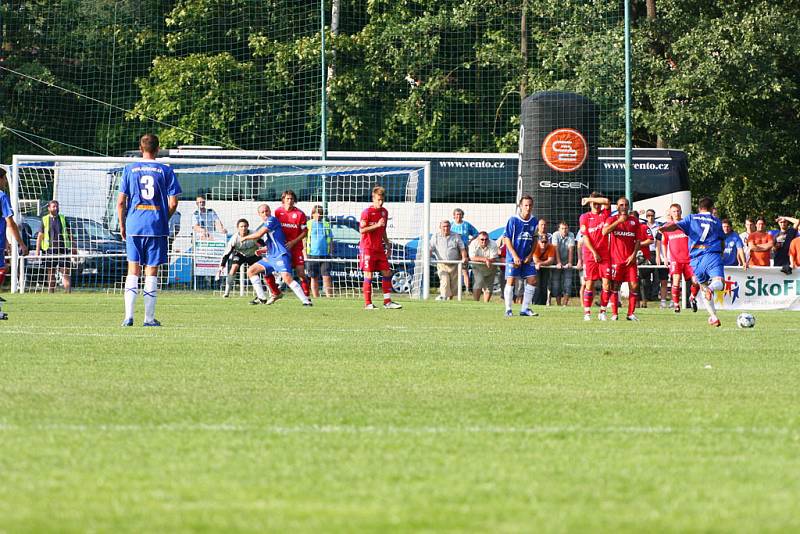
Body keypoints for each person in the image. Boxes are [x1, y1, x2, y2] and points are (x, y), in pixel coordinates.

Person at [117, 133, 182, 327]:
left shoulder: (129, 169)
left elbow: (121, 202)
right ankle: (149, 318)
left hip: (134, 225)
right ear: (158, 148)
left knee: (132, 270)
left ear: (140, 148)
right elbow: (173, 203)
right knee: (151, 271)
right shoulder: (165, 170)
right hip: (155, 226)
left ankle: (128, 317)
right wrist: (163, 218)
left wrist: (123, 224)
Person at [658, 197, 726, 327]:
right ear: (712, 208)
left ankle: (713, 317)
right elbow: (722, 240)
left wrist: (664, 229)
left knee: (703, 287)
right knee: (719, 283)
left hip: (695, 260)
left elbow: (675, 225)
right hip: (711, 255)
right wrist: (720, 254)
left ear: (699, 208)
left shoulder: (691, 218)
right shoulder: (716, 221)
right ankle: (711, 289)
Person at [240, 204, 311, 306]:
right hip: (271, 256)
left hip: (280, 254)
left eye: (267, 211)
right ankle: (262, 297)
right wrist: (264, 249)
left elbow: (259, 234)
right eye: (263, 212)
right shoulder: (264, 224)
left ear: (270, 211)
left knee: (286, 277)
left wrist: (244, 238)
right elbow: (273, 240)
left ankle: (306, 301)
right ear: (259, 214)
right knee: (251, 271)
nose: (265, 213)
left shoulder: (271, 220)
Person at [359, 186, 402, 310]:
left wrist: (387, 244)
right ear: (373, 198)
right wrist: (377, 225)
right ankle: (368, 304)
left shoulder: (384, 212)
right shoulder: (366, 212)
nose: (381, 202)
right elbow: (362, 230)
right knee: (369, 275)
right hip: (367, 248)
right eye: (378, 199)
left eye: (382, 199)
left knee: (387, 272)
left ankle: (387, 302)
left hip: (379, 249)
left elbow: (382, 230)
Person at [601, 197, 642, 321]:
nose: (624, 207)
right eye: (621, 205)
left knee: (634, 285)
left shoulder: (634, 221)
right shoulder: (612, 219)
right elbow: (604, 231)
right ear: (617, 207)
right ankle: (614, 314)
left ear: (629, 206)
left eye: (626, 205)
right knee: (615, 286)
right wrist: (618, 222)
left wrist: (634, 255)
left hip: (630, 260)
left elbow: (638, 240)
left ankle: (630, 314)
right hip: (616, 260)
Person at [502, 195, 539, 317]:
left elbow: (535, 239)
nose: (528, 208)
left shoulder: (534, 221)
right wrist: (514, 255)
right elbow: (506, 238)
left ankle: (525, 309)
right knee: (511, 280)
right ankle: (508, 309)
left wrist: (530, 255)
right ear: (520, 206)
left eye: (530, 205)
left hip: (526, 256)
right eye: (525, 205)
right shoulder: (513, 220)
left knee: (532, 280)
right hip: (513, 256)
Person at [0, 167, 30, 318]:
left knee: (3, 267)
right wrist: (21, 243)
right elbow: (10, 222)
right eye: (4, 178)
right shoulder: (2, 196)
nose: (5, 181)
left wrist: (6, 242)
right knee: (1, 269)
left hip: (1, 240)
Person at [660, 203, 700, 313]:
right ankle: (676, 305)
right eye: (674, 211)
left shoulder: (687, 224)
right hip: (675, 260)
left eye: (678, 211)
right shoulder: (667, 227)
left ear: (681, 212)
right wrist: (665, 258)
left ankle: (692, 297)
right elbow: (664, 243)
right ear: (670, 213)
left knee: (696, 281)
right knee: (676, 282)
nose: (676, 213)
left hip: (689, 259)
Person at [578, 192, 611, 321]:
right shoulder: (585, 217)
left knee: (606, 283)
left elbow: (607, 201)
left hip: (604, 255)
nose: (597, 205)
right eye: (594, 203)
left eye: (599, 203)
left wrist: (589, 198)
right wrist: (594, 253)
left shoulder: (605, 214)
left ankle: (602, 311)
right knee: (589, 283)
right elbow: (585, 237)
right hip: (590, 255)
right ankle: (587, 312)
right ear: (591, 204)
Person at [274, 190, 311, 297]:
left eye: (291, 199)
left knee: (301, 273)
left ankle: (307, 296)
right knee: (280, 272)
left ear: (294, 200)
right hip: (282, 248)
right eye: (287, 199)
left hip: (295, 247)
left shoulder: (300, 214)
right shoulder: (278, 212)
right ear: (283, 200)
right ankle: (274, 292)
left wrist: (293, 242)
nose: (289, 201)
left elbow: (305, 231)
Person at [35, 200, 77, 293]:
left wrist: (74, 247)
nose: (56, 208)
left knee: (65, 271)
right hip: (49, 250)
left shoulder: (63, 218)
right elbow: (40, 236)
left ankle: (68, 292)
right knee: (51, 272)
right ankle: (51, 292)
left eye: (57, 206)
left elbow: (70, 233)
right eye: (54, 206)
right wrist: (37, 250)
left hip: (63, 249)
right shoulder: (44, 219)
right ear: (49, 208)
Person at [218, 218, 262, 298]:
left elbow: (263, 244)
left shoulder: (254, 234)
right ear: (238, 227)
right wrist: (222, 265)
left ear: (248, 226)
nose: (243, 228)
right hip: (240, 255)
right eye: (241, 226)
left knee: (262, 270)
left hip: (253, 255)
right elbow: (227, 253)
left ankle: (265, 293)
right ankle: (226, 293)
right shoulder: (234, 238)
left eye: (245, 226)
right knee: (234, 268)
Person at [430, 220, 468, 300]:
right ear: (440, 227)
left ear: (450, 227)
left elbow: (462, 248)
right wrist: (428, 258)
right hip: (442, 264)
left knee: (453, 286)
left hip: (454, 265)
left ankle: (448, 301)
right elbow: (430, 248)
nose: (446, 228)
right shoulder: (435, 236)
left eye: (447, 226)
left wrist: (464, 257)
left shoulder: (456, 236)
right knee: (445, 281)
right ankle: (443, 298)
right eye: (444, 226)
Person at [306, 204, 333, 298]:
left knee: (327, 276)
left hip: (325, 254)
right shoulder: (309, 224)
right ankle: (316, 297)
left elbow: (330, 238)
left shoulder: (326, 224)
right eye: (317, 213)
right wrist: (304, 252)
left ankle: (329, 297)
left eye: (321, 213)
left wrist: (331, 251)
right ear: (313, 214)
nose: (319, 215)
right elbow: (304, 238)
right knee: (314, 277)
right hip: (312, 254)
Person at [450, 208, 478, 293]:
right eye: (457, 214)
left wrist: (470, 241)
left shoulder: (466, 225)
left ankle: (467, 289)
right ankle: (453, 289)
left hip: (464, 249)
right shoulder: (451, 225)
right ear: (454, 216)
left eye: (460, 214)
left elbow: (476, 233)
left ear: (462, 216)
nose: (458, 216)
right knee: (453, 269)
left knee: (464, 269)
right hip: (454, 249)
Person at [468, 231, 499, 302]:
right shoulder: (473, 243)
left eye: (486, 239)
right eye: (482, 239)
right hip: (478, 267)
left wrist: (487, 260)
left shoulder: (493, 244)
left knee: (489, 287)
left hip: (490, 267)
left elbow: (493, 258)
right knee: (478, 283)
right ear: (478, 239)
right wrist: (485, 260)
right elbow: (472, 257)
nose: (484, 241)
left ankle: (486, 304)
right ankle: (476, 303)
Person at [550, 221, 575, 306]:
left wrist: (570, 263)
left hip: (567, 262)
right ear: (559, 229)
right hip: (557, 262)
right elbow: (555, 249)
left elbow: (571, 249)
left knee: (568, 284)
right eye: (562, 228)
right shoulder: (555, 235)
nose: (564, 230)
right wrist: (558, 263)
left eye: (566, 228)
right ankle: (558, 305)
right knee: (556, 284)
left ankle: (564, 305)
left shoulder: (571, 235)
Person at [532, 230, 556, 305]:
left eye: (545, 242)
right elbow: (535, 260)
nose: (543, 244)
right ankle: (535, 303)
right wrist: (540, 263)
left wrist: (541, 263)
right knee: (537, 286)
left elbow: (551, 260)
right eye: (542, 242)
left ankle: (543, 303)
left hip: (544, 267)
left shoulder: (551, 247)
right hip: (536, 268)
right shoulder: (536, 246)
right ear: (539, 241)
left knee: (544, 286)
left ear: (548, 242)